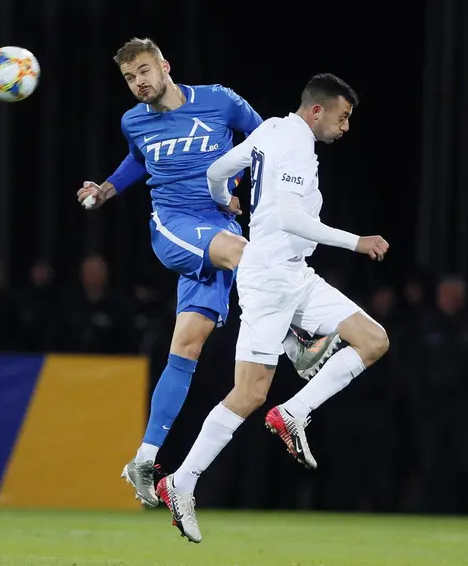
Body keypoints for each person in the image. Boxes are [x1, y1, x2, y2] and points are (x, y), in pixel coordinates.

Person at [77, 39, 340, 507]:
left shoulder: (219, 100)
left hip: (218, 224)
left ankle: (144, 459)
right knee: (248, 255)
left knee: (187, 347)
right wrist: (106, 189)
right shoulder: (134, 121)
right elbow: (138, 158)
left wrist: (241, 190)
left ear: (165, 66)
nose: (138, 82)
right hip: (175, 225)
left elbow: (269, 144)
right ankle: (296, 342)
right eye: (129, 77)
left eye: (144, 71)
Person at [155, 73, 390, 543]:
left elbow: (216, 172)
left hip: (296, 275)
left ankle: (295, 411)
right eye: (343, 117)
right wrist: (356, 242)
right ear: (317, 110)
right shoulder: (297, 144)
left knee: (373, 340)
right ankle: (181, 482)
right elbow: (289, 217)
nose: (345, 127)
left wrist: (225, 202)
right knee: (248, 394)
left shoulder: (270, 130)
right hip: (268, 279)